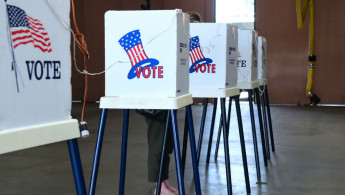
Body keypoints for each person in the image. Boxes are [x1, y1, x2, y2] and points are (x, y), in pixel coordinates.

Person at [144, 12, 202, 195]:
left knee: (167, 144)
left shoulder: (180, 44)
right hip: (156, 101)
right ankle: (158, 188)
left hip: (168, 100)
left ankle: (165, 183)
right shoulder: (169, 42)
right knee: (157, 144)